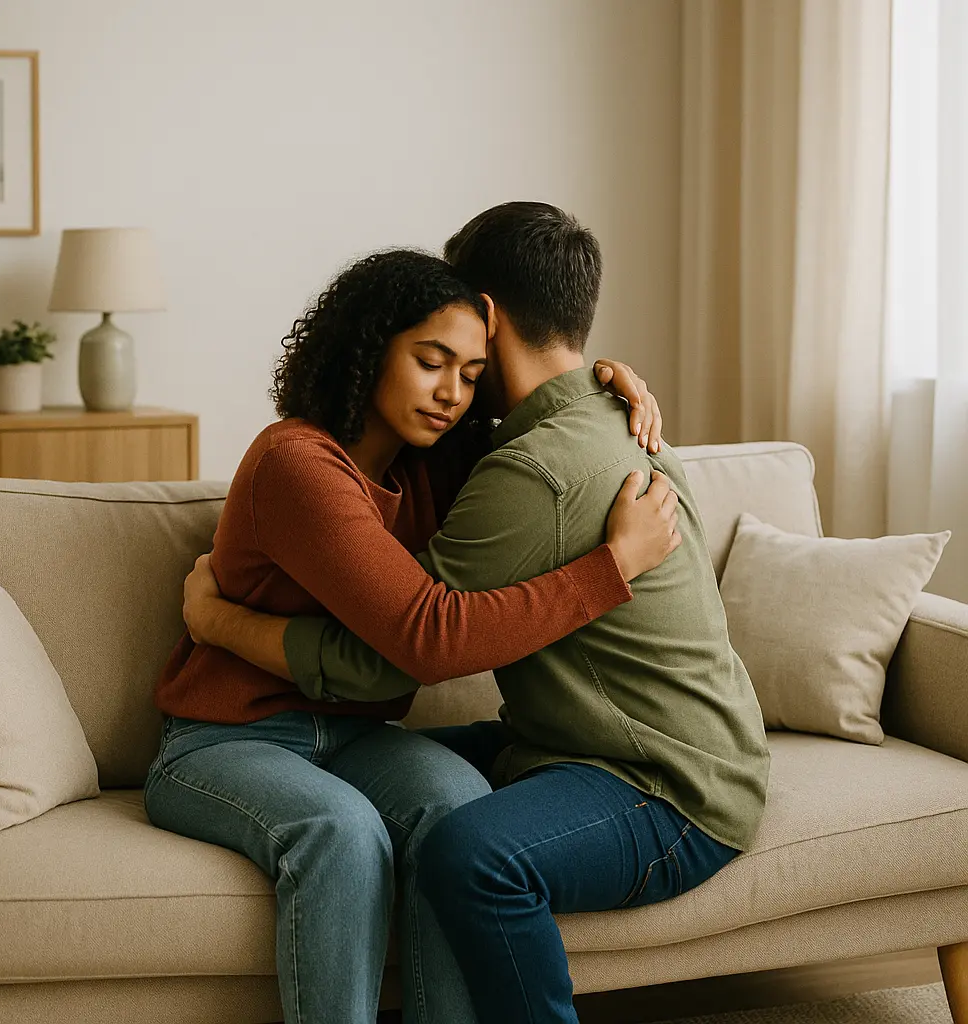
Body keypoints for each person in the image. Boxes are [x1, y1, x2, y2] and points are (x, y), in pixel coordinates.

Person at [185, 203, 772, 1024]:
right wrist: (608, 384)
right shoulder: (544, 442)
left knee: (462, 831)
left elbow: (418, 642)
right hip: (256, 736)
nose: (454, 391)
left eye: (465, 365)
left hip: (653, 778)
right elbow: (423, 635)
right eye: (433, 359)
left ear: (487, 319)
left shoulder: (502, 463)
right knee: (399, 822)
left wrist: (220, 623)